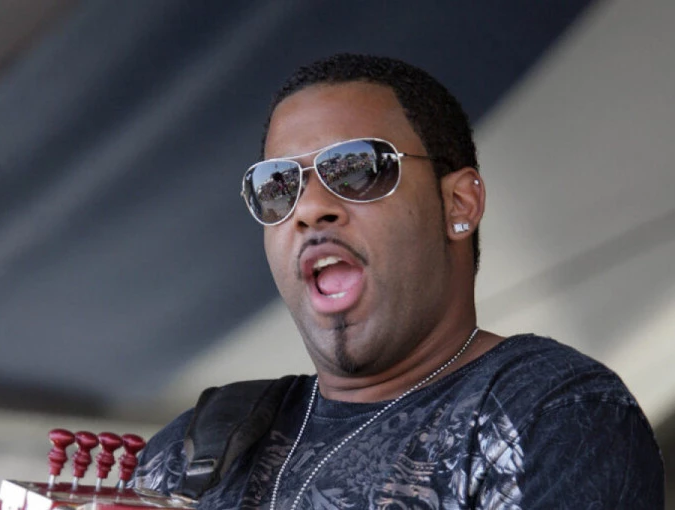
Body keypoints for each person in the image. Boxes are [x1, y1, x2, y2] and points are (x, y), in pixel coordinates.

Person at [134, 54, 664, 509]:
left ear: (458, 204)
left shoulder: (550, 410)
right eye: (277, 187)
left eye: (355, 169)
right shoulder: (190, 448)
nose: (310, 208)